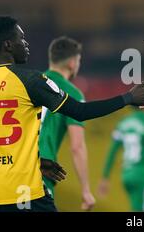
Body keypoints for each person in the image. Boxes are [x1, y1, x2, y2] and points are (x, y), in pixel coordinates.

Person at [0, 16, 144, 212]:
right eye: (21, 38)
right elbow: (79, 111)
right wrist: (127, 98)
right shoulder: (30, 81)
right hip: (22, 193)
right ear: (8, 45)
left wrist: (36, 163)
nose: (26, 44)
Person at [38, 36, 95, 211]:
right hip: (40, 172)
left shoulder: (32, 83)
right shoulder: (71, 93)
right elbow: (77, 146)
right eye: (78, 60)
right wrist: (86, 190)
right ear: (72, 62)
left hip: (10, 169)